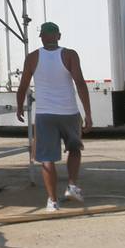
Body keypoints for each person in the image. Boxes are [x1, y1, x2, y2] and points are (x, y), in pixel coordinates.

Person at [16, 22, 93, 212]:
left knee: (47, 158)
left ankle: (52, 201)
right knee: (74, 149)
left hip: (44, 114)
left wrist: (19, 107)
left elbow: (23, 85)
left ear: (42, 37)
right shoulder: (69, 55)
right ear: (58, 36)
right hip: (69, 112)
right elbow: (80, 84)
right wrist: (88, 113)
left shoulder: (32, 58)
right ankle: (72, 186)